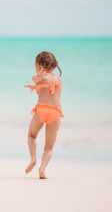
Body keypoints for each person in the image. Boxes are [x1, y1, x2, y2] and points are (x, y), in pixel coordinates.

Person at [24, 51, 63, 179]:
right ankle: (42, 168)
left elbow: (37, 80)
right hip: (55, 113)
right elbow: (46, 89)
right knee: (49, 147)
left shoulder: (40, 75)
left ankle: (33, 159)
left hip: (42, 110)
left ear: (39, 65)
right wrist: (34, 86)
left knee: (31, 135)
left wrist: (35, 80)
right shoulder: (58, 79)